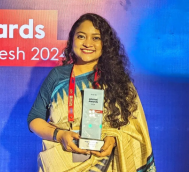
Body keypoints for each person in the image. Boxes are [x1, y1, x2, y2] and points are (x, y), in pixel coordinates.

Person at [27, 13, 155, 172]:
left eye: (96, 38)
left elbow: (133, 130)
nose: (88, 43)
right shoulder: (58, 76)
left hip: (105, 162)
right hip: (60, 162)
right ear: (72, 39)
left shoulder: (118, 82)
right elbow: (34, 119)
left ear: (105, 44)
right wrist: (60, 135)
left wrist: (114, 139)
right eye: (81, 36)